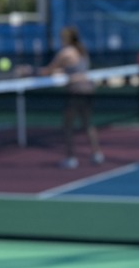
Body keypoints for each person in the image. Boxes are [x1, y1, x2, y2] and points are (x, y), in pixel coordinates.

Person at [43, 25, 103, 168]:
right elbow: (71, 69)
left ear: (66, 38)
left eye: (62, 37)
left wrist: (28, 70)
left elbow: (47, 70)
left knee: (68, 125)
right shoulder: (81, 50)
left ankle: (70, 158)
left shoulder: (66, 52)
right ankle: (97, 154)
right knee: (87, 123)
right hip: (88, 90)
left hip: (75, 91)